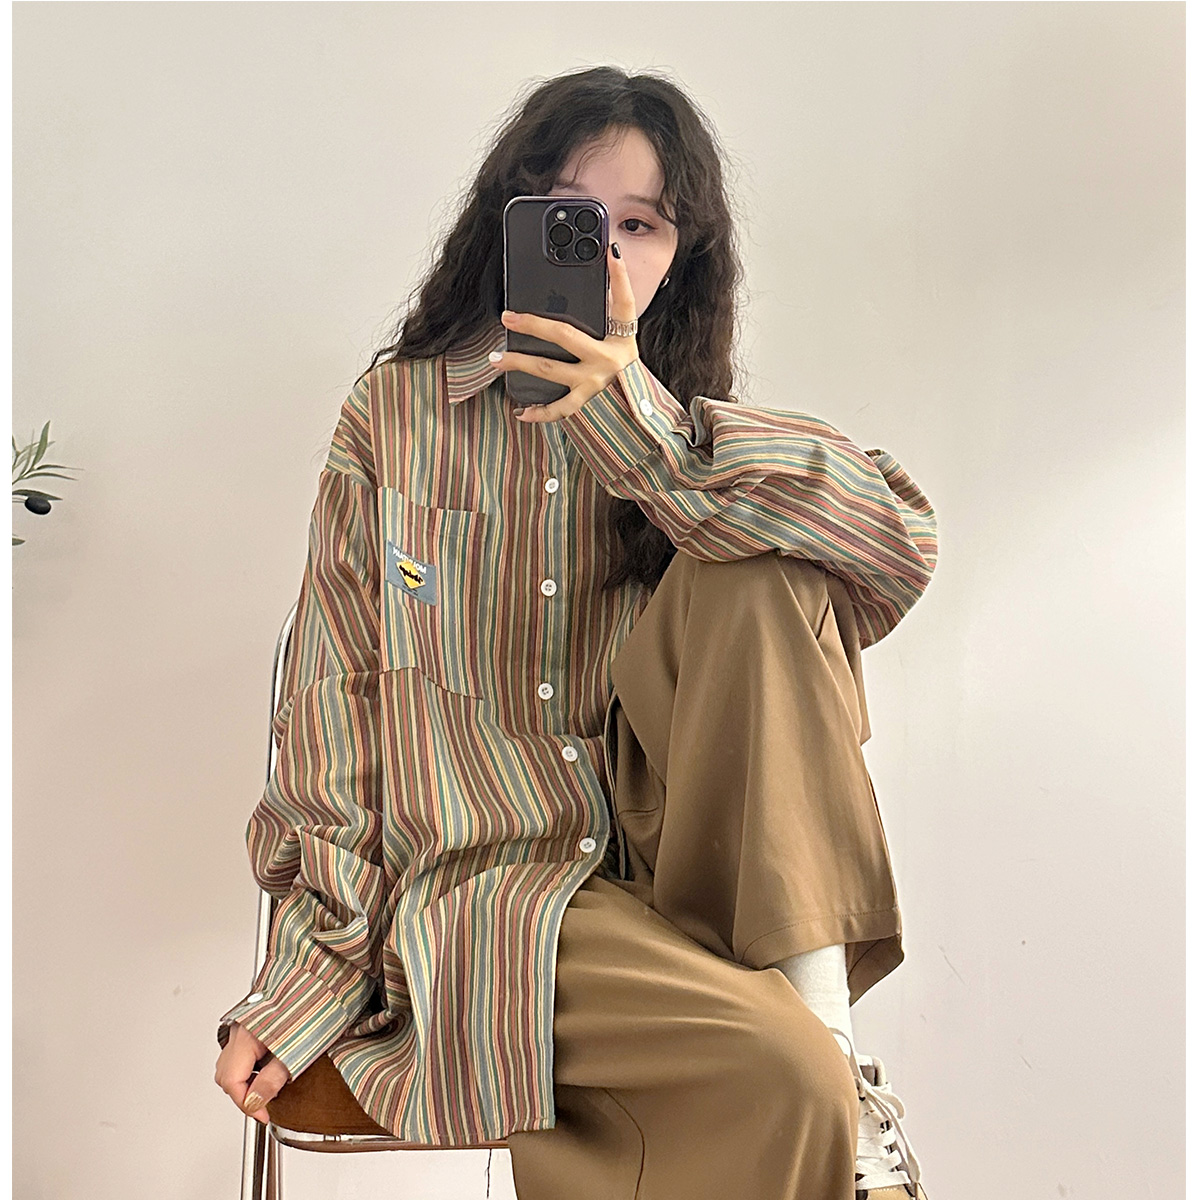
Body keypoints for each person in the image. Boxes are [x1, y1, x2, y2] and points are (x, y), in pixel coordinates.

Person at [213, 65, 935, 1200]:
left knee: (765, 569)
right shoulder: (396, 416)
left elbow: (897, 545)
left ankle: (829, 1055)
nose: (603, 253)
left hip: (689, 860)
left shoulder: (689, 433)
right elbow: (333, 705)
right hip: (495, 887)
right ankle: (834, 1077)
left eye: (639, 226)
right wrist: (307, 975)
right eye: (570, 215)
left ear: (682, 256)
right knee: (790, 1078)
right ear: (509, 218)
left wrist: (642, 437)